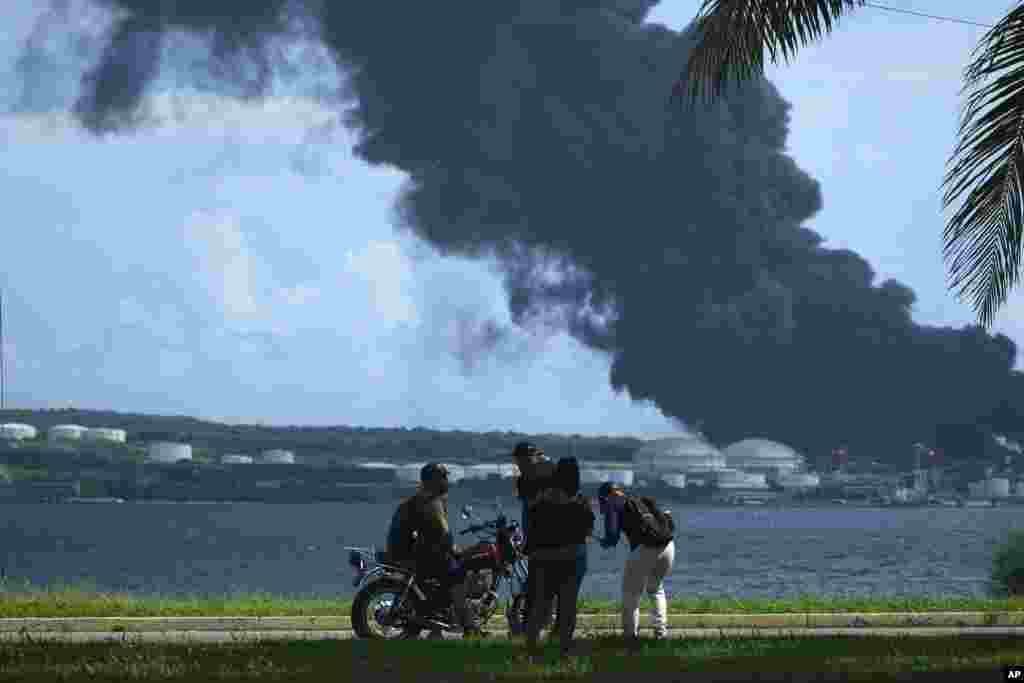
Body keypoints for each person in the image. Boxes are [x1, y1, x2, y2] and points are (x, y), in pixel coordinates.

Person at [388, 462, 482, 637]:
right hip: (413, 555)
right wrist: (462, 551)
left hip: (408, 551)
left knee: (450, 568)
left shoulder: (423, 498)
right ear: (433, 480)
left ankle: (438, 624)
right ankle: (470, 627)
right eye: (444, 477)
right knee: (458, 576)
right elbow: (443, 534)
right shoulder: (429, 501)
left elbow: (436, 535)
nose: (448, 481)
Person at [512, 443, 589, 634]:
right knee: (546, 596)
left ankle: (546, 634)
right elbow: (529, 510)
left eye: (525, 460)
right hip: (545, 545)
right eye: (519, 461)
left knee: (550, 596)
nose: (521, 465)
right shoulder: (524, 480)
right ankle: (543, 633)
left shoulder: (554, 475)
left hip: (551, 546)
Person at [523, 456, 594, 658]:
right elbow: (587, 532)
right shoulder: (581, 502)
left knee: (541, 606)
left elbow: (533, 529)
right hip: (572, 560)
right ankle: (565, 650)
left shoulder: (542, 500)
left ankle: (531, 649)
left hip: (544, 560)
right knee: (567, 606)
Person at [597, 482, 676, 646]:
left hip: (644, 548)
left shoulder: (612, 503)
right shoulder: (642, 500)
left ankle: (630, 638)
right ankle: (661, 635)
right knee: (656, 589)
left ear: (605, 496)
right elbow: (669, 523)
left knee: (631, 594)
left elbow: (612, 537)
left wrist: (604, 542)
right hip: (668, 546)